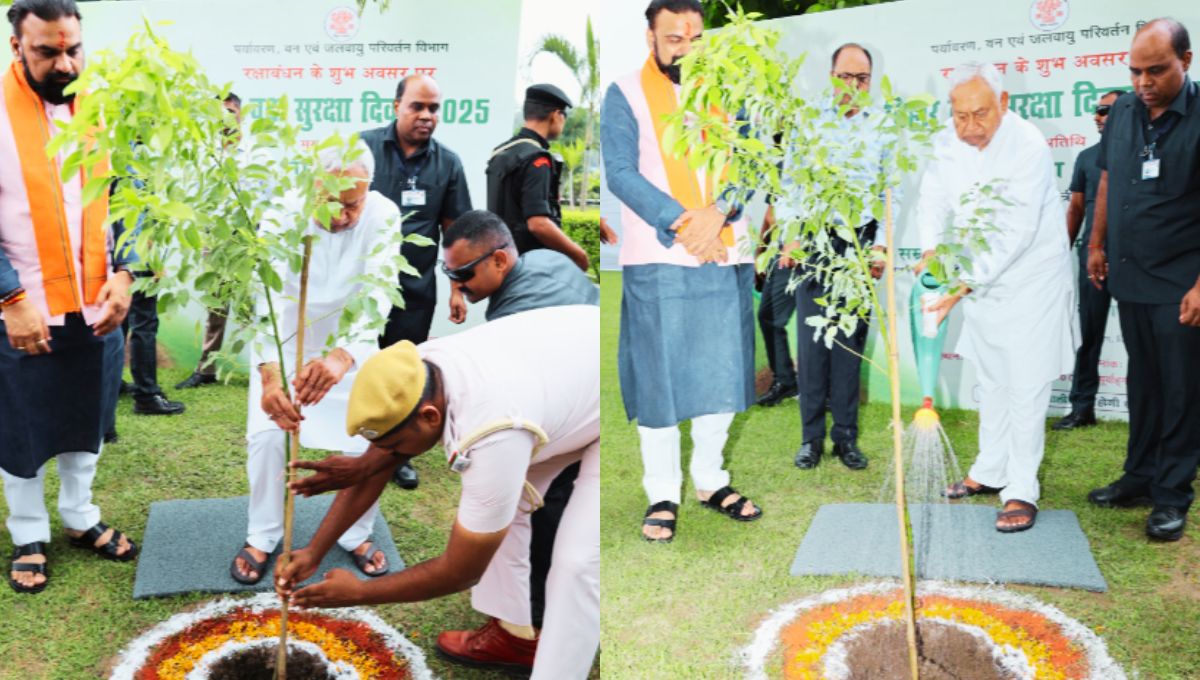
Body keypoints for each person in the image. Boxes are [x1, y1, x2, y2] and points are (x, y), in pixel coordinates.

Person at [276, 304, 600, 680]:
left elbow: (460, 572)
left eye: (394, 445)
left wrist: (360, 592)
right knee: (503, 518)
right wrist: (315, 552)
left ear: (430, 416)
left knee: (577, 563)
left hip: (613, 391)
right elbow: (381, 456)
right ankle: (515, 636)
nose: (388, 456)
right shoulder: (418, 367)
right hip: (558, 388)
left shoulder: (490, 435)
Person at [602, 0, 763, 544]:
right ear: (650, 36)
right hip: (658, 256)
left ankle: (711, 480)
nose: (685, 48)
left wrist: (718, 213)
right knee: (661, 379)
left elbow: (750, 162)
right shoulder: (623, 92)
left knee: (721, 374)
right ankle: (662, 492)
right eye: (674, 38)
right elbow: (621, 172)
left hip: (724, 249)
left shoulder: (728, 91)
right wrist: (683, 222)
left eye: (694, 37)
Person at [0, 0, 139, 594]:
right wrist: (10, 298)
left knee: (88, 419)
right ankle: (28, 531)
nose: (65, 63)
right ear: (16, 47)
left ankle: (80, 516)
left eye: (73, 48)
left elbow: (136, 198)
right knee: (21, 427)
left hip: (96, 306)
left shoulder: (103, 109)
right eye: (47, 51)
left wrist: (127, 272)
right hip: (21, 310)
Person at [917, 62, 1076, 533]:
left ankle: (1021, 488)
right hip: (979, 279)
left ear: (1004, 104)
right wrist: (930, 249)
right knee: (992, 381)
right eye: (960, 115)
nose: (969, 127)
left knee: (1025, 385)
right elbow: (932, 196)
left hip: (1032, 281)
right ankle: (989, 470)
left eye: (980, 114)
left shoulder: (1027, 145)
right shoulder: (949, 138)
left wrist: (960, 287)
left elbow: (1015, 234)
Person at [229, 141, 397, 584]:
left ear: (369, 190)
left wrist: (343, 356)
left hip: (352, 345)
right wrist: (269, 376)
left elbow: (377, 292)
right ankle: (263, 536)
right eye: (330, 204)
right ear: (311, 190)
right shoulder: (284, 212)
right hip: (286, 342)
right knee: (268, 441)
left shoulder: (384, 215)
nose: (342, 216)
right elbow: (263, 298)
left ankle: (354, 531)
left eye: (352, 204)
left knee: (366, 446)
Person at [1085, 18, 1200, 542]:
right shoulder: (1126, 111)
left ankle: (1172, 494)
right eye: (1135, 71)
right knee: (1143, 384)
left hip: (1181, 280)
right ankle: (1140, 474)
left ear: (1187, 61)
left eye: (1156, 70)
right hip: (1130, 275)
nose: (1143, 83)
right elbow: (1107, 176)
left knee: (1182, 390)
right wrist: (1096, 243)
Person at [361, 73, 472, 491]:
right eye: (417, 107)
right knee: (360, 365)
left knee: (405, 375)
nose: (427, 116)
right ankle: (356, 445)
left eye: (434, 108)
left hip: (415, 292)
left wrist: (457, 288)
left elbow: (454, 230)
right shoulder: (363, 149)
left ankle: (395, 457)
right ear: (396, 106)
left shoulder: (448, 163)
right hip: (361, 290)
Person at [783, 43, 892, 471]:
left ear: (871, 80)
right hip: (814, 240)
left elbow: (891, 192)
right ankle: (811, 439)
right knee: (813, 346)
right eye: (846, 76)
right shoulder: (808, 122)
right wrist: (791, 237)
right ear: (831, 77)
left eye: (862, 78)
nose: (854, 85)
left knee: (849, 345)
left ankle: (845, 437)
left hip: (860, 242)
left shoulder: (883, 126)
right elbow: (791, 182)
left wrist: (880, 243)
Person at [1051, 89, 1123, 431]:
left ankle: (1147, 411)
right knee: (1089, 335)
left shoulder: (1141, 154)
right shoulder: (1086, 157)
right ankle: (1082, 409)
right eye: (1096, 111)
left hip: (1134, 260)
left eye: (1104, 111)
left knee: (1143, 340)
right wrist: (1060, 251)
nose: (1097, 116)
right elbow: (1077, 208)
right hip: (1091, 259)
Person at [176, 93, 245, 390]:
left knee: (261, 305)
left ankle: (267, 369)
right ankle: (206, 369)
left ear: (241, 114)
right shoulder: (207, 153)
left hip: (249, 238)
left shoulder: (256, 152)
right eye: (221, 113)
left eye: (231, 111)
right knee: (216, 307)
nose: (226, 118)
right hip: (216, 239)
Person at [485, 83, 590, 270]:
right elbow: (538, 224)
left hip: (499, 261)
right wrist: (578, 254)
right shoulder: (537, 158)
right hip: (528, 267)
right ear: (556, 115)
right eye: (564, 117)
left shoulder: (499, 152)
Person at [444, 209, 598, 324]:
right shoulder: (545, 257)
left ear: (499, 261)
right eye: (449, 273)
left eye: (463, 274)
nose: (457, 285)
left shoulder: (514, 317)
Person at [755, 204, 799, 408]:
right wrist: (761, 251)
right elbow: (770, 214)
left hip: (811, 253)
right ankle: (785, 381)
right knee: (768, 316)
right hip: (782, 254)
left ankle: (828, 389)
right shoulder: (780, 173)